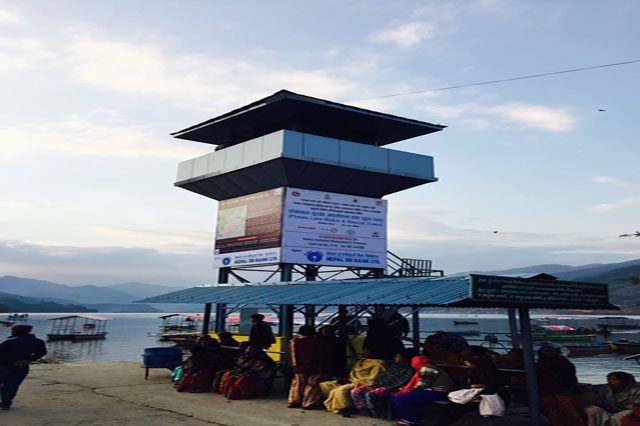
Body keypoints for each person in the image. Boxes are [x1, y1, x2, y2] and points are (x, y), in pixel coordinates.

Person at [432, 352, 505, 426]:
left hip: (487, 397)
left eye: (467, 361)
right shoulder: (472, 371)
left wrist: (481, 388)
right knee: (450, 406)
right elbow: (464, 385)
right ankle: (439, 423)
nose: (465, 363)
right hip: (473, 396)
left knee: (458, 408)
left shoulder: (492, 372)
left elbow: (495, 387)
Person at [351, 348, 418, 417]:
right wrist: (374, 384)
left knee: (372, 394)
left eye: (397, 357)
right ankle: (365, 411)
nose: (395, 358)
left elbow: (401, 382)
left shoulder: (410, 369)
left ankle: (379, 413)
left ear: (405, 358)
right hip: (379, 385)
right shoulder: (395, 366)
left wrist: (381, 386)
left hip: (393, 388)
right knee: (356, 391)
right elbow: (383, 376)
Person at [390, 355, 455, 426]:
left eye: (413, 362)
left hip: (439, 392)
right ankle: (407, 418)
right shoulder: (424, 368)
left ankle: (411, 420)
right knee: (396, 397)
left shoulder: (427, 368)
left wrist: (408, 391)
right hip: (430, 391)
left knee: (403, 398)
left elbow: (423, 385)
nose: (412, 364)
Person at [319, 348, 387, 415]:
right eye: (364, 352)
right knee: (326, 384)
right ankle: (332, 405)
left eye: (367, 352)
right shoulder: (360, 362)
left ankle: (346, 408)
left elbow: (373, 379)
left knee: (342, 389)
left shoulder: (378, 363)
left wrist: (356, 382)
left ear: (374, 354)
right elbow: (352, 374)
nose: (364, 353)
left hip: (363, 383)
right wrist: (348, 380)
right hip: (352, 380)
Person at [0, 324, 47, 410]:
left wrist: (13, 362)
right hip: (23, 366)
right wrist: (29, 360)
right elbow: (42, 352)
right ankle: (5, 403)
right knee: (12, 384)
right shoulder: (38, 341)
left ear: (14, 332)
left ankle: (5, 402)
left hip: (5, 365)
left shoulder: (8, 342)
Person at [536, 345, 586, 426]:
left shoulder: (562, 362)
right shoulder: (541, 362)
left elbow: (569, 376)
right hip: (549, 390)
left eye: (550, 351)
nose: (548, 353)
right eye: (546, 351)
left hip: (563, 388)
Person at [287, 325, 327, 409]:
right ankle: (308, 403)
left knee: (298, 384)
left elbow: (291, 355)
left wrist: (293, 366)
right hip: (316, 367)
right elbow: (322, 355)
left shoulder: (294, 341)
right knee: (313, 385)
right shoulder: (319, 342)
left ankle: (294, 401)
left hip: (299, 367)